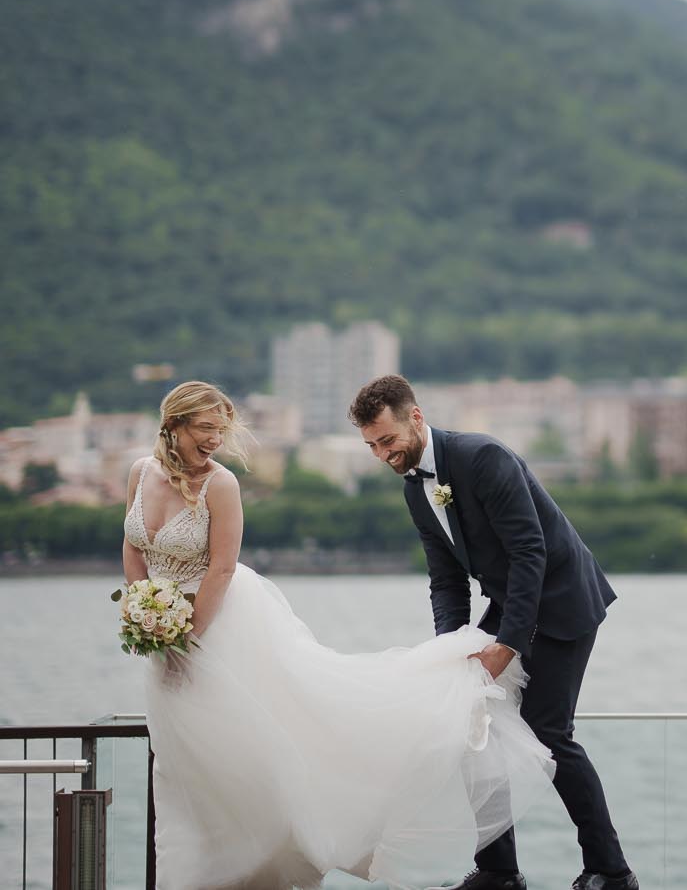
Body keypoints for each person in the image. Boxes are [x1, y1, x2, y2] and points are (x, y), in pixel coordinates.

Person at [122, 381, 556, 890]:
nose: (216, 439)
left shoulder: (221, 485)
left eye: (222, 430)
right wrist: (144, 611)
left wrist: (188, 633)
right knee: (179, 770)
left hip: (217, 632)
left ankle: (257, 870)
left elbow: (221, 569)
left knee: (242, 756)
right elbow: (134, 547)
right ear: (173, 424)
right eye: (206, 429)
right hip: (159, 640)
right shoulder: (139, 473)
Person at [350, 374, 635, 890]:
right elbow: (446, 579)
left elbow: (532, 552)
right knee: (468, 724)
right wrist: (452, 647)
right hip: (513, 603)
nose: (382, 454)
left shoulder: (483, 456)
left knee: (550, 735)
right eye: (371, 446)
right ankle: (499, 872)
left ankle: (611, 871)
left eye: (388, 440)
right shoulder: (417, 488)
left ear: (416, 417)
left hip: (564, 598)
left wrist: (508, 644)